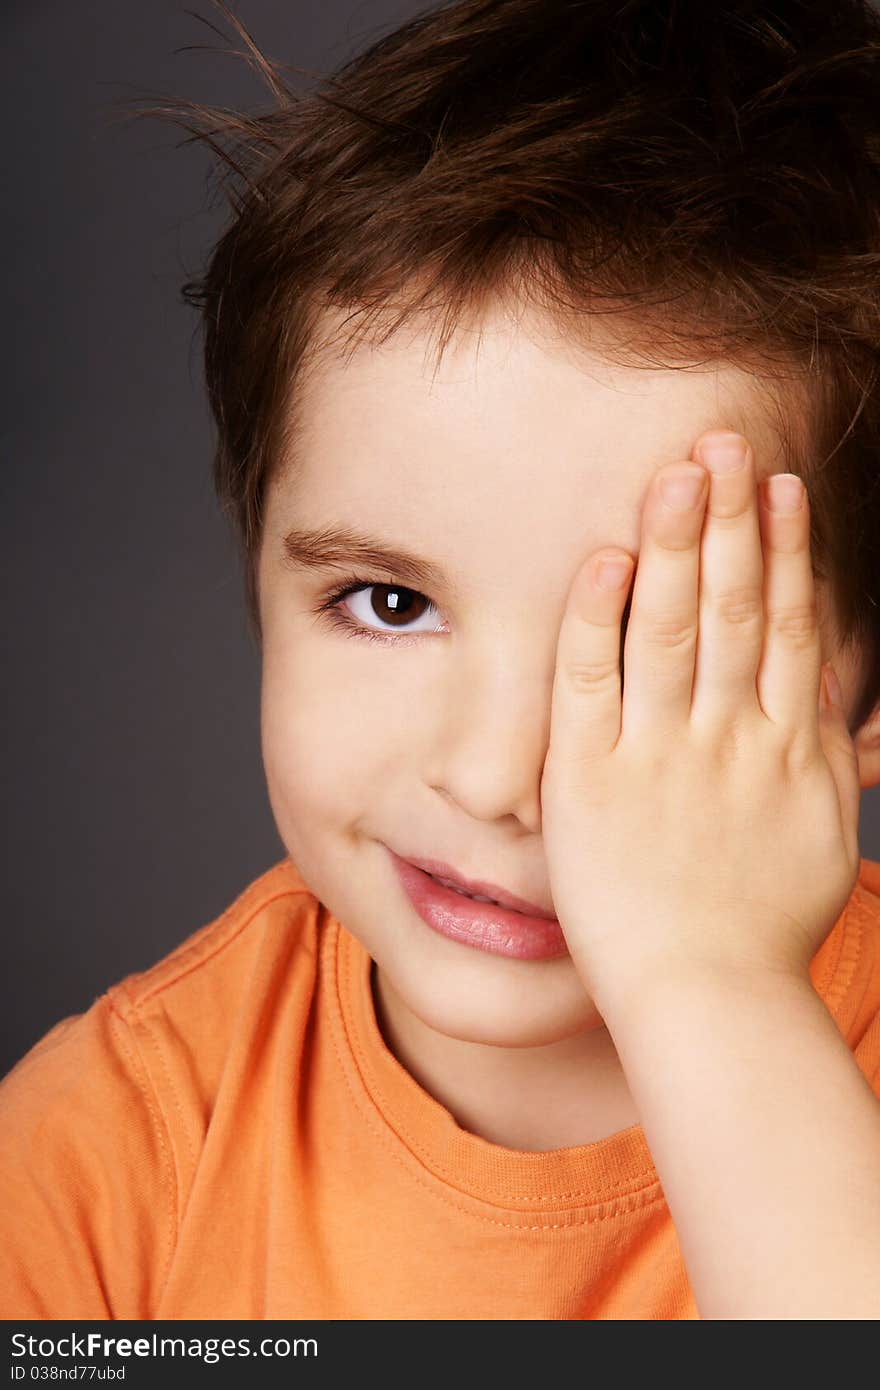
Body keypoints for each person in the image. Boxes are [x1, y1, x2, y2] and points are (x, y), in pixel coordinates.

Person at [3, 0, 880, 1321]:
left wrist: (717, 985)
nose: (490, 777)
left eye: (655, 646)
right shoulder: (112, 1147)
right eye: (389, 601)